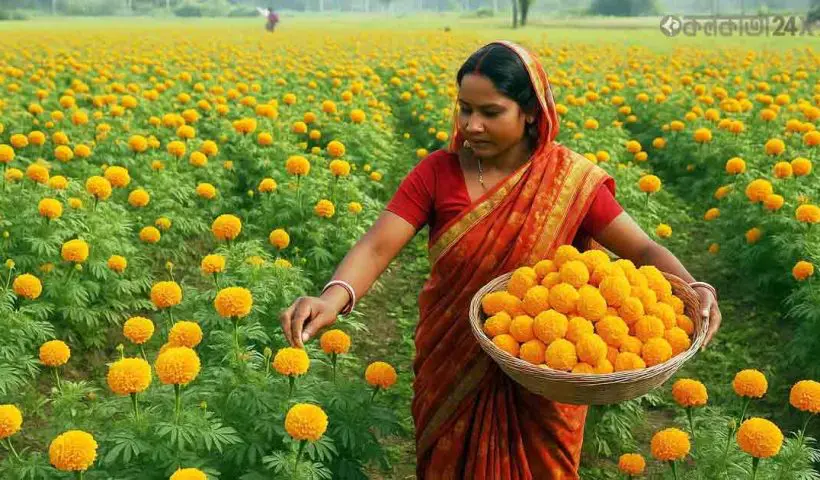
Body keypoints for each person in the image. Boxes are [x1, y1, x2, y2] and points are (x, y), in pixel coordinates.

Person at [279, 40, 722, 479]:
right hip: (451, 362)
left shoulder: (569, 179)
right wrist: (332, 298)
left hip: (545, 368)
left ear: (531, 112)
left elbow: (643, 250)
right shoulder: (438, 172)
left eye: (490, 112)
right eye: (464, 109)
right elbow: (376, 246)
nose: (472, 125)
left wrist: (695, 287)